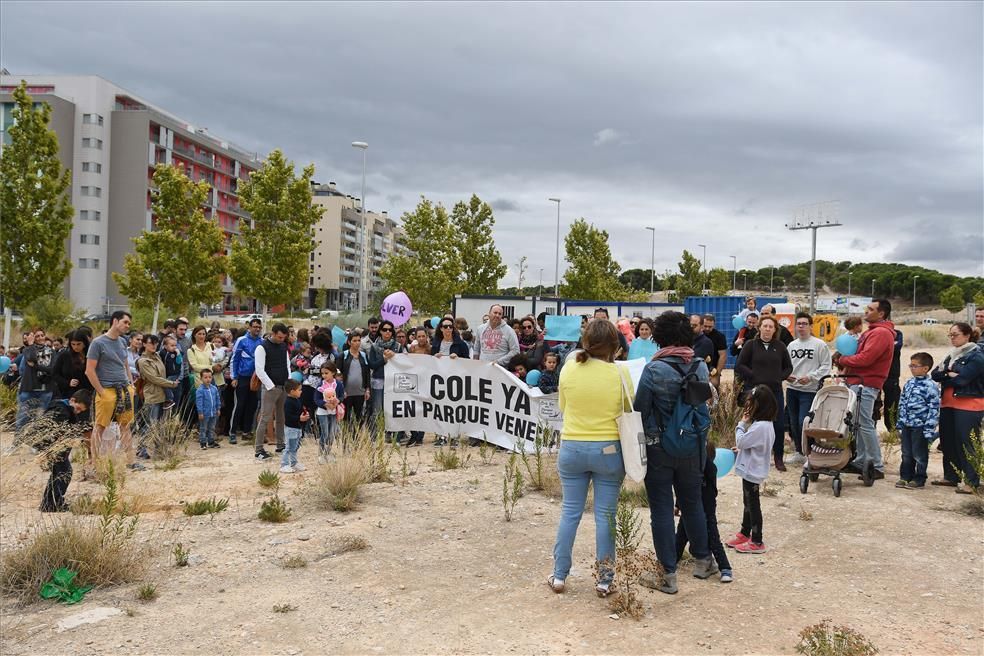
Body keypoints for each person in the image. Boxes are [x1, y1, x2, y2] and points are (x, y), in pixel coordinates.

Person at [634, 311, 717, 595]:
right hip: (692, 445)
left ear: (659, 337)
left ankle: (667, 574)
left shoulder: (653, 369)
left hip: (659, 447)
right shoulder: (700, 367)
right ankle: (703, 560)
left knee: (661, 508)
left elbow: (640, 409)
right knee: (692, 503)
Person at [548, 319, 628, 597]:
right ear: (614, 346)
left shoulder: (569, 368)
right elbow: (627, 412)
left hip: (573, 446)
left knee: (570, 512)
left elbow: (562, 406)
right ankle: (604, 579)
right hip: (608, 448)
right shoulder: (619, 374)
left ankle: (559, 575)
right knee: (606, 517)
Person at [832, 299, 895, 481]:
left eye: (870, 309)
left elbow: (866, 359)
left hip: (866, 383)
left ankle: (876, 464)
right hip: (859, 382)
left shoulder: (881, 333)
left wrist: (843, 360)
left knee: (865, 423)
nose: (865, 312)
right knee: (858, 424)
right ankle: (861, 461)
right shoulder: (873, 332)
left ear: (881, 314)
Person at [85, 311, 142, 470]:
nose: (127, 326)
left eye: (129, 323)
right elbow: (89, 370)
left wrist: (131, 385)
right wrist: (101, 392)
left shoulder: (123, 341)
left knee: (125, 425)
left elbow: (124, 364)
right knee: (100, 426)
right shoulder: (98, 343)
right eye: (125, 322)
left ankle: (131, 461)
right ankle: (95, 463)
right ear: (115, 321)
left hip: (123, 389)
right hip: (107, 389)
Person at [930, 323, 984, 493]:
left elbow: (963, 380)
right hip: (948, 403)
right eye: (950, 335)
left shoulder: (977, 356)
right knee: (948, 442)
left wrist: (947, 375)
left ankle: (971, 481)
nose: (952, 338)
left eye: (956, 334)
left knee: (967, 443)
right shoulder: (950, 355)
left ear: (967, 335)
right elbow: (934, 374)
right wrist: (949, 374)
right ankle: (951, 476)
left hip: (969, 405)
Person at [735, 316, 792, 471]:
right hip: (755, 391)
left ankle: (778, 457)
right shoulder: (750, 345)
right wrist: (753, 376)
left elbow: (788, 368)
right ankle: (748, 455)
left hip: (775, 392)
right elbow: (740, 365)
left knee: (778, 424)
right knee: (752, 422)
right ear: (759, 328)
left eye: (770, 327)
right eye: (765, 326)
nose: (767, 329)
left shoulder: (780, 346)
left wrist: (778, 377)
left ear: (775, 330)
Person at [726, 384, 777, 554]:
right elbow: (754, 446)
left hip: (752, 471)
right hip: (752, 468)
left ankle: (756, 540)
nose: (748, 408)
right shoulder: (765, 425)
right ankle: (744, 532)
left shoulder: (760, 426)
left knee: (753, 505)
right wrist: (742, 450)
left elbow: (742, 440)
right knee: (747, 502)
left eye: (750, 404)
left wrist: (741, 425)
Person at [675, 442, 732, 583]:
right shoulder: (691, 471)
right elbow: (682, 489)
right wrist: (678, 505)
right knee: (680, 537)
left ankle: (725, 568)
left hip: (706, 510)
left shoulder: (710, 469)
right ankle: (672, 561)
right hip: (689, 510)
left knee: (713, 538)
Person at [785, 313, 832, 465]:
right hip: (792, 389)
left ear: (811, 326)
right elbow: (785, 365)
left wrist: (811, 377)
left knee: (804, 422)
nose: (801, 326)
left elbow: (826, 367)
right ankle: (799, 451)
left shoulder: (819, 345)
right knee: (793, 422)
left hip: (810, 390)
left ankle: (810, 453)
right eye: (799, 323)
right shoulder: (791, 345)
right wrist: (787, 375)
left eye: (805, 323)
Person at [38, 389, 92, 513]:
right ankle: (52, 503)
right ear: (72, 400)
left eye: (80, 411)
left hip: (57, 447)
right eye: (77, 408)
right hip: (54, 447)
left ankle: (50, 502)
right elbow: (54, 430)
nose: (77, 412)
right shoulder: (62, 410)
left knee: (60, 472)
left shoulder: (63, 408)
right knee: (63, 472)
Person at [896, 352, 939, 490]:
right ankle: (905, 476)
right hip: (907, 424)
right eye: (910, 365)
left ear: (925, 368)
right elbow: (902, 403)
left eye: (915, 366)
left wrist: (929, 428)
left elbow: (934, 408)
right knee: (906, 453)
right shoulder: (909, 383)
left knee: (919, 454)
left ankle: (919, 478)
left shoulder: (930, 386)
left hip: (920, 426)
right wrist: (900, 422)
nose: (911, 368)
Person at [253, 323, 292, 461]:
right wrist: (270, 386)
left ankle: (281, 444)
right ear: (273, 333)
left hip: (283, 386)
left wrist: (289, 381)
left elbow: (287, 364)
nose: (282, 339)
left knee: (281, 417)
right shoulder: (262, 347)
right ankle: (258, 449)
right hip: (270, 388)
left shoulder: (283, 346)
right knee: (265, 417)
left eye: (284, 337)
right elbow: (259, 369)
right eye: (280, 337)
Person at [367, 319, 405, 437]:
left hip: (393, 381)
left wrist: (395, 357)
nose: (387, 332)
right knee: (377, 410)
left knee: (392, 409)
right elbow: (372, 364)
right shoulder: (374, 347)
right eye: (384, 330)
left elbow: (404, 363)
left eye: (390, 330)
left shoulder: (398, 347)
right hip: (378, 380)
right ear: (380, 331)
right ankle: (375, 435)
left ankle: (392, 434)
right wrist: (384, 359)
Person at [229, 318, 263, 445]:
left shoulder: (262, 342)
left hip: (256, 379)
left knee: (252, 405)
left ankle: (246, 431)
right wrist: (234, 377)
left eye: (259, 327)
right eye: (255, 327)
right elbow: (234, 359)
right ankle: (232, 432)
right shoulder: (241, 340)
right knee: (239, 405)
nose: (257, 329)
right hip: (242, 377)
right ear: (249, 327)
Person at [17, 327, 56, 431]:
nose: (40, 338)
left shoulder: (51, 351)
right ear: (33, 337)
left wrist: (35, 366)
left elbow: (52, 369)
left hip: (45, 389)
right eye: (37, 336)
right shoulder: (27, 349)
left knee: (40, 419)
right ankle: (17, 444)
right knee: (23, 418)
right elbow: (31, 358)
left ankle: (36, 445)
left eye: (41, 335)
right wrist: (30, 344)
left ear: (45, 336)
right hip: (29, 389)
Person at [137, 334, 178, 431]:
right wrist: (171, 384)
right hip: (152, 395)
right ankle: (142, 446)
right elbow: (154, 378)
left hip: (162, 394)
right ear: (144, 344)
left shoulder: (157, 356)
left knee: (160, 425)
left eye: (156, 343)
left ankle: (157, 446)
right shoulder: (143, 361)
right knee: (151, 424)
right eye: (151, 343)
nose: (154, 346)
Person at [314, 361, 344, 461]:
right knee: (325, 432)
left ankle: (328, 452)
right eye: (322, 373)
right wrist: (325, 404)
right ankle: (321, 454)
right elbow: (316, 399)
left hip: (334, 412)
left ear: (333, 373)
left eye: (326, 373)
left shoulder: (338, 384)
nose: (324, 375)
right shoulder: (320, 384)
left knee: (332, 433)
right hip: (323, 412)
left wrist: (337, 401)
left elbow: (341, 396)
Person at [341, 332, 371, 427]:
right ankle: (346, 438)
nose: (357, 343)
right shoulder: (343, 355)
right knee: (346, 417)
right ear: (349, 342)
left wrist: (367, 389)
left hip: (360, 392)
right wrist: (342, 389)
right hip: (347, 393)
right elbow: (338, 373)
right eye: (354, 341)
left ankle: (357, 437)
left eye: (359, 340)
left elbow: (367, 373)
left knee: (359, 417)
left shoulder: (363, 355)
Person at [51, 330, 92, 401]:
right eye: (73, 344)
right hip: (70, 394)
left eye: (78, 344)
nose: (75, 347)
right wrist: (67, 382)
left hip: (89, 393)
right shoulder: (64, 356)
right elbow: (55, 374)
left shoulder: (91, 355)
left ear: (84, 343)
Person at [280, 379, 308, 473]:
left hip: (298, 428)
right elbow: (289, 416)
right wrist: (299, 418)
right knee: (288, 447)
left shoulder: (297, 400)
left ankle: (294, 463)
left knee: (295, 447)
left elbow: (299, 411)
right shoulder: (288, 402)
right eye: (299, 390)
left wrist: (305, 414)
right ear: (292, 391)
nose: (301, 391)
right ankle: (284, 465)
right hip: (291, 428)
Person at [195, 368, 221, 450]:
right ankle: (203, 442)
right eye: (205, 377)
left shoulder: (214, 388)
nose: (208, 379)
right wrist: (200, 412)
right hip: (205, 413)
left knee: (212, 427)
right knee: (203, 428)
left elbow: (217, 399)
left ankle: (211, 441)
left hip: (213, 412)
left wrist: (218, 409)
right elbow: (199, 402)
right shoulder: (200, 390)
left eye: (209, 377)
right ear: (201, 378)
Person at [701, 315, 728, 389]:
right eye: (705, 326)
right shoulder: (696, 335)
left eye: (710, 327)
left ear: (714, 325)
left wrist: (717, 374)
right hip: (698, 369)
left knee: (714, 394)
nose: (707, 328)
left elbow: (723, 355)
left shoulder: (720, 336)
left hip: (713, 370)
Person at [186, 326, 214, 390]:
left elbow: (218, 359)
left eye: (203, 334)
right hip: (200, 382)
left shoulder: (211, 346)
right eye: (199, 334)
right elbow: (195, 367)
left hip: (213, 379)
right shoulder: (191, 350)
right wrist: (211, 367)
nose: (201, 336)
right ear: (194, 335)